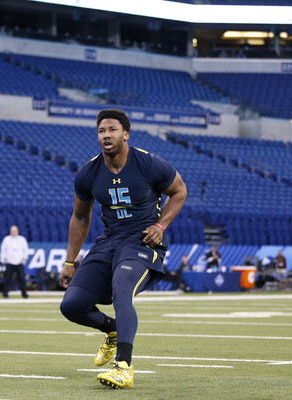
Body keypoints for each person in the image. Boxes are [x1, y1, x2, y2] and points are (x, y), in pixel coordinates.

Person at [58, 108, 187, 390]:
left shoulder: (149, 164)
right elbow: (80, 217)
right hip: (110, 241)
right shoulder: (88, 173)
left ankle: (124, 367)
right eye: (102, 131)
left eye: (112, 130)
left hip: (143, 242)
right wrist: (70, 261)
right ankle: (112, 329)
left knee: (122, 289)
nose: (106, 135)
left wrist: (161, 226)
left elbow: (179, 191)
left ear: (125, 134)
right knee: (71, 305)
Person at [0, 225, 30, 299]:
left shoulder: (22, 239)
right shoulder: (6, 239)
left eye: (15, 231)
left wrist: (23, 259)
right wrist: (4, 259)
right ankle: (5, 294)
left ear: (18, 231)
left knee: (22, 278)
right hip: (9, 262)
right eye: (12, 231)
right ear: (10, 231)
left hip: (19, 262)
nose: (13, 232)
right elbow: (3, 250)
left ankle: (24, 293)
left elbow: (25, 250)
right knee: (7, 279)